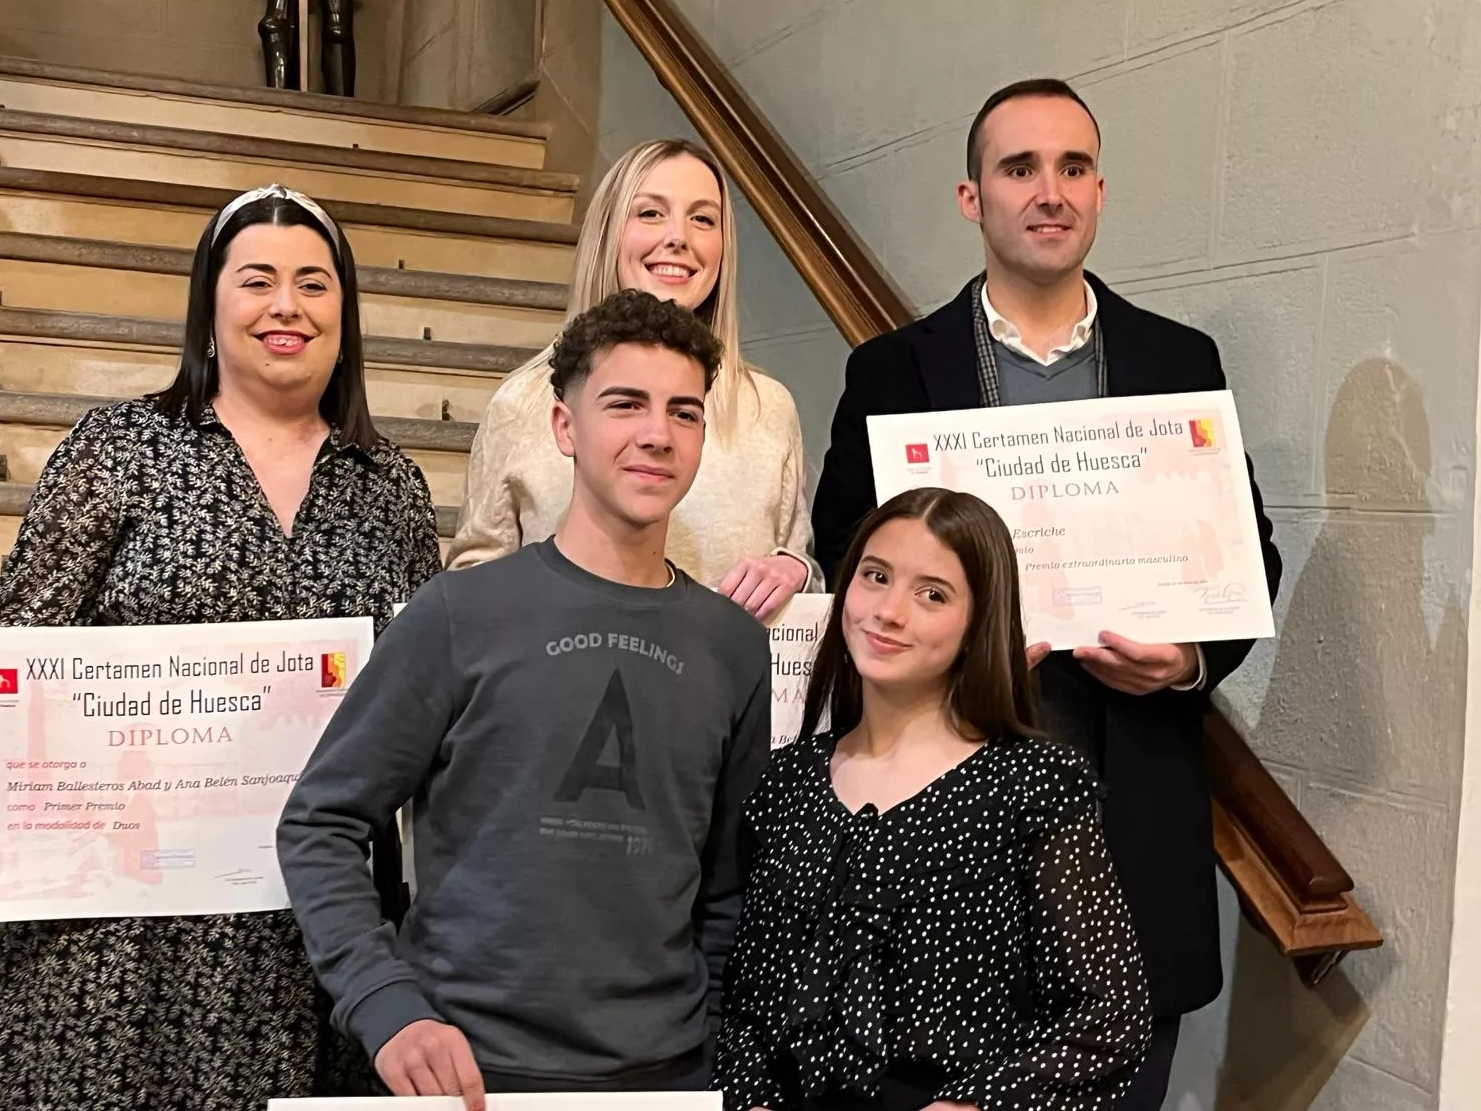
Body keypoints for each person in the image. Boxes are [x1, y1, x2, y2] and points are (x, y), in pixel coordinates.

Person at [0, 184, 442, 1111]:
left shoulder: (390, 485)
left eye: (315, 284)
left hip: (311, 912)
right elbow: (18, 630)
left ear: (346, 313)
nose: (287, 306)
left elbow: (421, 693)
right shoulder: (122, 447)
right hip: (125, 913)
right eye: (257, 279)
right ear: (210, 304)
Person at [809, 79, 1284, 1109]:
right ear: (972, 198)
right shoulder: (893, 372)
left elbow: (1246, 556)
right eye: (1018, 168)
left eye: (1072, 167)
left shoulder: (1176, 360)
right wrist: (944, 641)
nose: (1048, 190)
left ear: (1100, 191)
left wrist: (1189, 661)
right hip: (943, 846)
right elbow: (845, 555)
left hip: (1127, 839)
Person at [279, 290, 773, 1102]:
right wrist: (385, 1004)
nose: (657, 433)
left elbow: (726, 884)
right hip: (468, 1072)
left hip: (668, 1074)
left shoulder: (733, 646)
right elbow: (321, 821)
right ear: (563, 428)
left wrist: (712, 1037)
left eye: (684, 413)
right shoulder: (457, 614)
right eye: (626, 404)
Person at [716, 487, 1150, 1111]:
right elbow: (744, 995)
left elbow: (1109, 1017)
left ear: (978, 625)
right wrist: (750, 1094)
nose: (889, 611)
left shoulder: (1033, 784)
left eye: (932, 594)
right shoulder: (786, 783)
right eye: (875, 576)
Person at [449, 138, 820, 619]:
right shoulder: (523, 403)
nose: (679, 238)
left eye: (703, 219)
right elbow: (474, 579)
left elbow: (802, 572)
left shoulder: (769, 406)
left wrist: (796, 571)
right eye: (650, 213)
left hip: (726, 687)